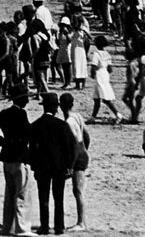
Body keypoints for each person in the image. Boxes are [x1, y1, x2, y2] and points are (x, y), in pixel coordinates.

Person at [0, 83, 34, 236]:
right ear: (21, 99)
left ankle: (8, 227)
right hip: (20, 156)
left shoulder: (5, 113)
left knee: (10, 193)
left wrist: (2, 141)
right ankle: (22, 228)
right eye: (26, 97)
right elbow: (28, 133)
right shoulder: (21, 114)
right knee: (22, 193)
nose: (27, 100)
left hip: (7, 156)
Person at [27, 92, 76, 236]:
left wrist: (34, 166)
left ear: (44, 107)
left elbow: (32, 149)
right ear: (56, 108)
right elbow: (70, 147)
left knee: (43, 197)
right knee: (58, 198)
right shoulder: (62, 125)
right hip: (59, 167)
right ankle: (59, 226)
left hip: (42, 167)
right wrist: (70, 166)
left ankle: (44, 226)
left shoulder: (36, 125)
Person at [59, 93, 89, 232]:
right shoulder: (77, 116)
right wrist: (85, 151)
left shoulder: (68, 122)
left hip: (77, 156)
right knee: (78, 189)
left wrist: (70, 165)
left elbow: (74, 145)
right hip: (83, 153)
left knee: (78, 190)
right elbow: (86, 136)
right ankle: (81, 221)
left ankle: (81, 222)